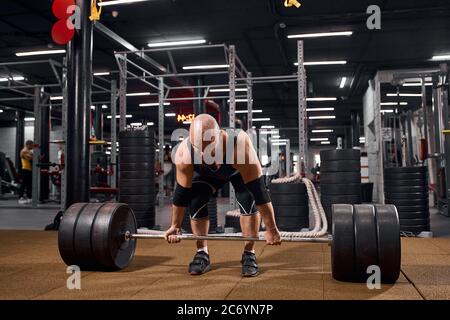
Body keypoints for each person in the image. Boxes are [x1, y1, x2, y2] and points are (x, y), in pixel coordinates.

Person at [164, 114, 281, 277]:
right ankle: (202, 253)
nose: (206, 154)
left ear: (219, 136)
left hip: (237, 171)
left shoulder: (239, 145)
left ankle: (249, 253)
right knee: (195, 200)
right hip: (206, 176)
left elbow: (260, 191)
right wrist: (175, 225)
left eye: (211, 148)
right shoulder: (185, 153)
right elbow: (181, 194)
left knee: (248, 199)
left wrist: (271, 228)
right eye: (201, 150)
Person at [18, 140, 34, 204]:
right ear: (28, 145)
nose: (32, 146)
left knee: (29, 184)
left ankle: (29, 197)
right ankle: (20, 197)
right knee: (24, 184)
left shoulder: (28, 151)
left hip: (29, 169)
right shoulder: (24, 151)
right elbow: (30, 158)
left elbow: (33, 157)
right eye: (32, 145)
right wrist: (33, 156)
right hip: (25, 169)